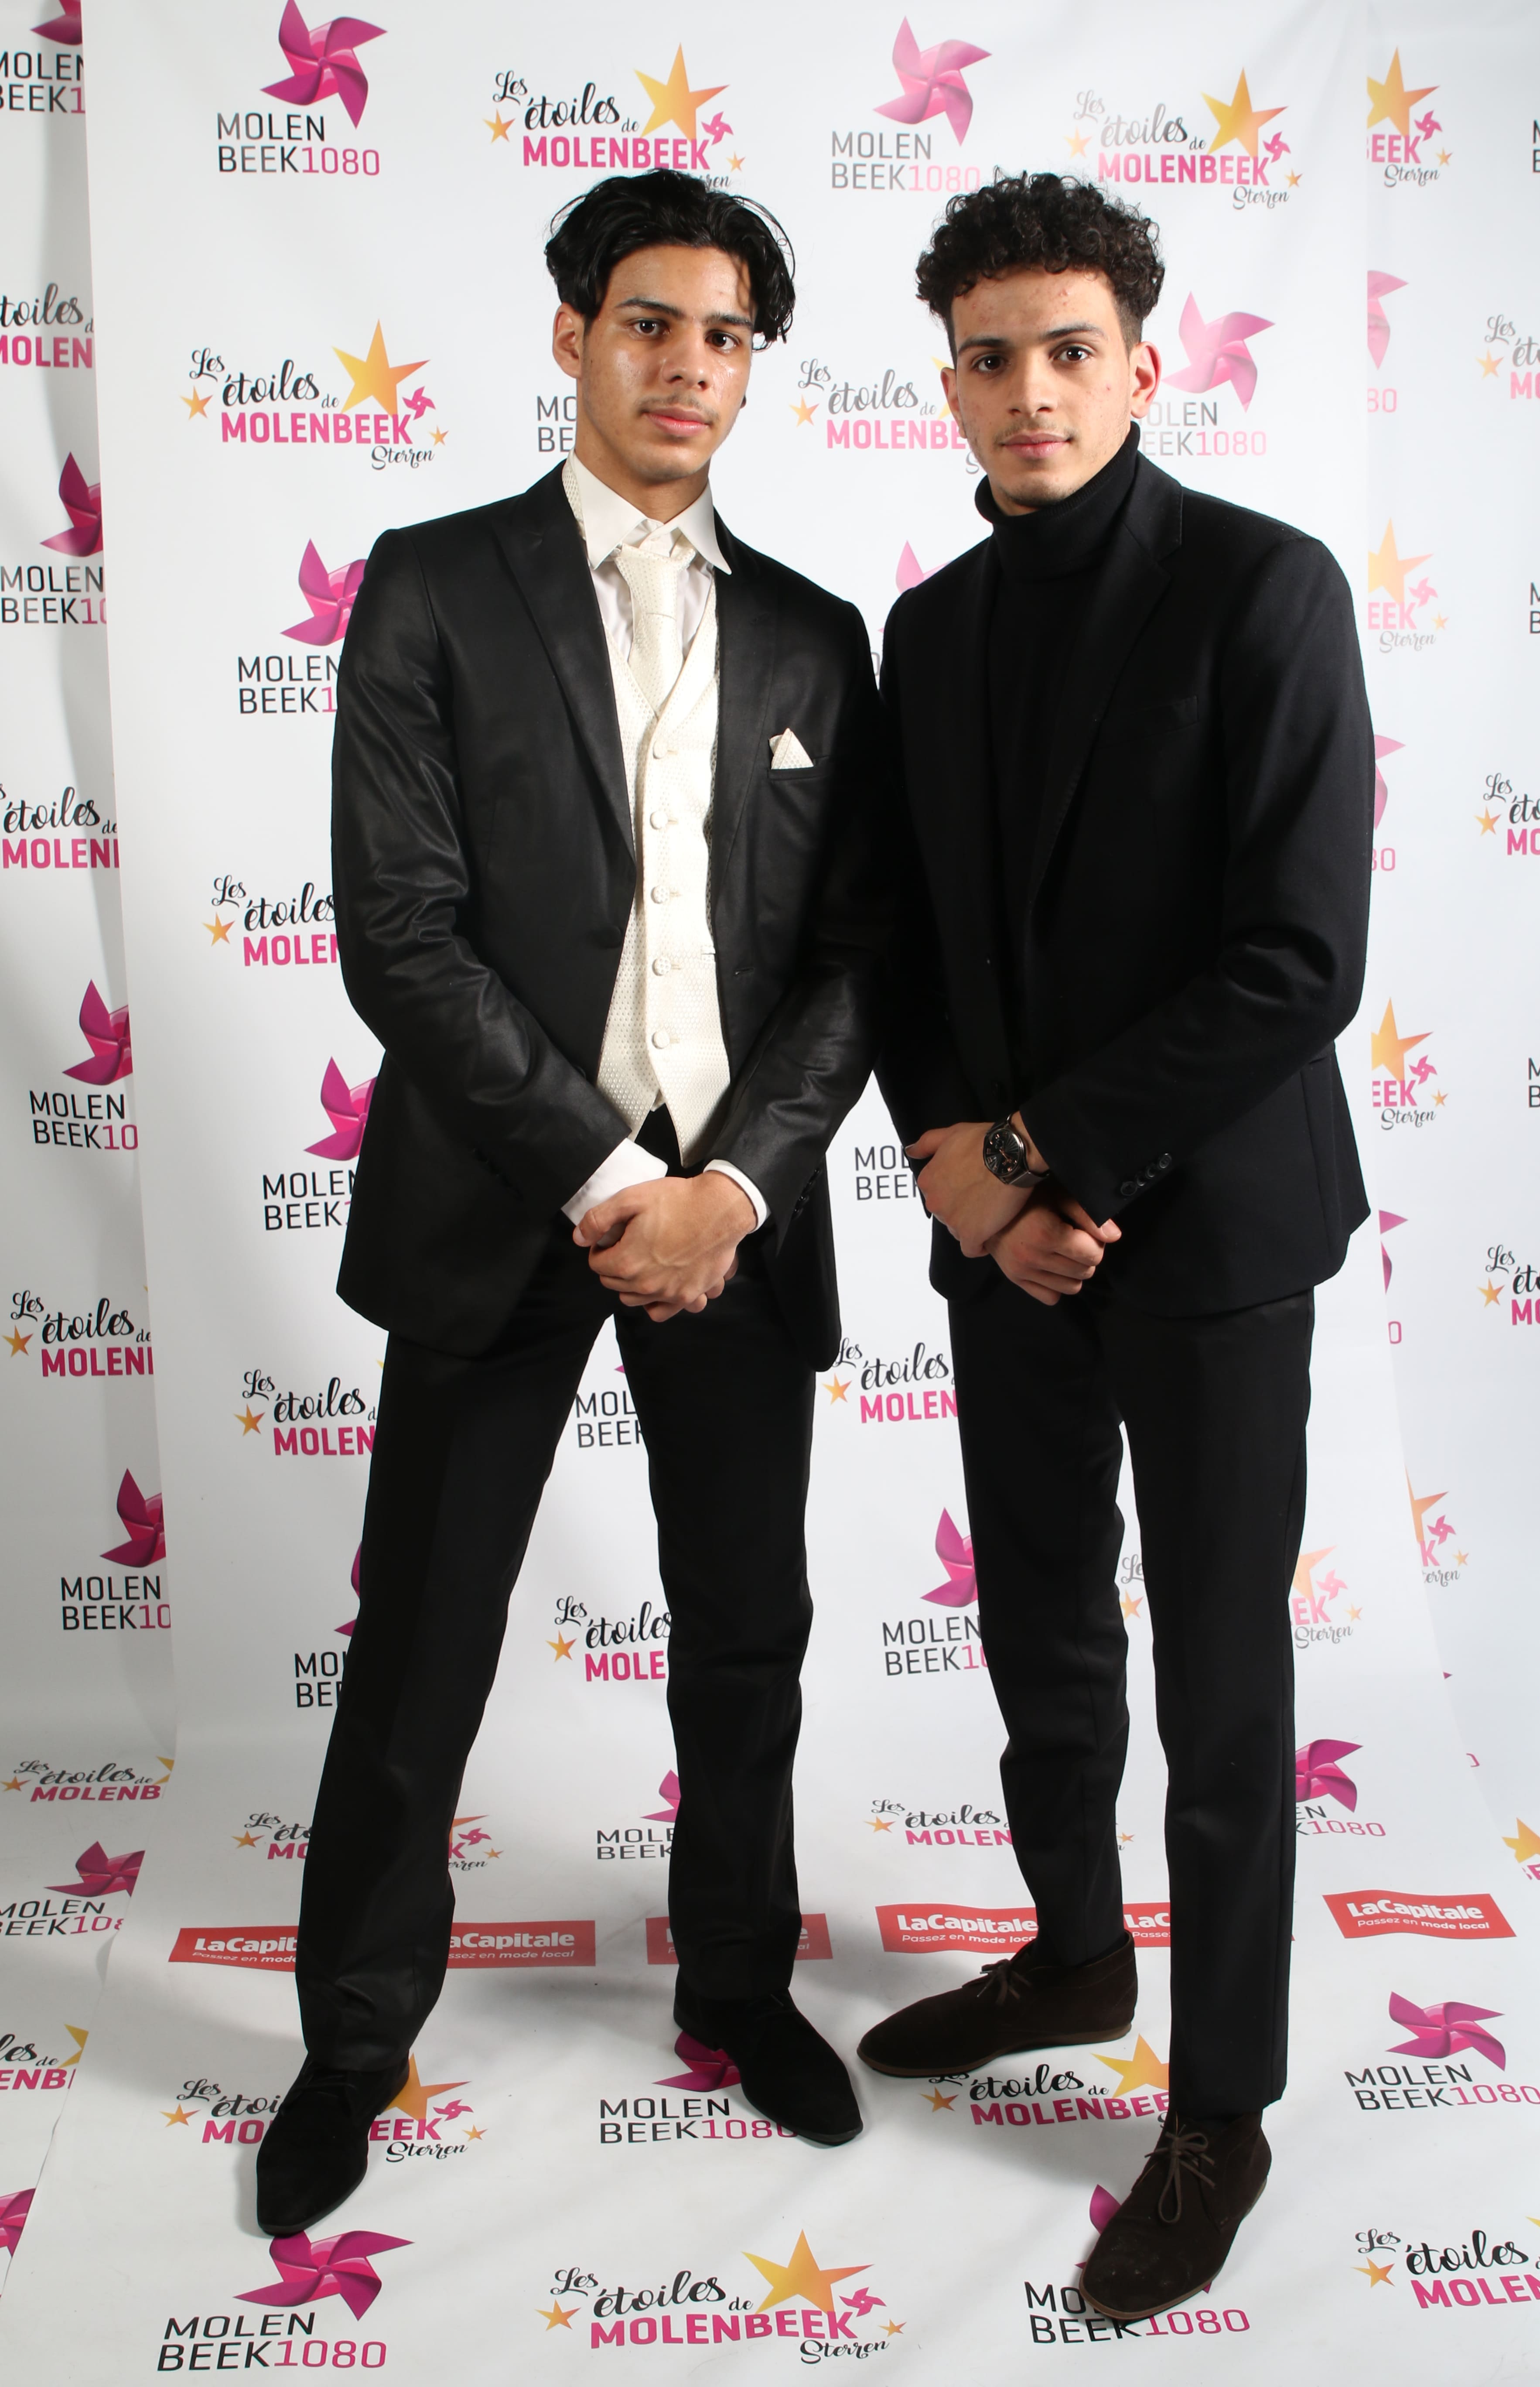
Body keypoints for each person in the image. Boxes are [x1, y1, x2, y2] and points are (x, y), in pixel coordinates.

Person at [256, 170, 889, 2237]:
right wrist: (618, 1180)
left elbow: (855, 963)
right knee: (425, 1638)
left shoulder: (817, 635)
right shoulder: (433, 588)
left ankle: (739, 1987)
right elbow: (402, 935)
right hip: (497, 1202)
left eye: (724, 336)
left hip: (736, 1217)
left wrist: (734, 1188)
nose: (688, 366)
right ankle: (354, 2040)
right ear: (572, 336)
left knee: (749, 1636)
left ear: (751, 367)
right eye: (649, 324)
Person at [860, 174, 1371, 2319]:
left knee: (1224, 1681)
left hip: (1215, 1230)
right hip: (1007, 1240)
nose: (1032, 391)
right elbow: (897, 944)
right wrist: (968, 1179)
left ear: (1144, 368)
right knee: (1045, 1630)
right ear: (951, 386)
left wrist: (1048, 1156)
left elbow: (1298, 959)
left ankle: (1221, 2109)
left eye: (1070, 352)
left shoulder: (1268, 587)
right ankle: (1077, 1954)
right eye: (990, 358)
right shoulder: (929, 634)